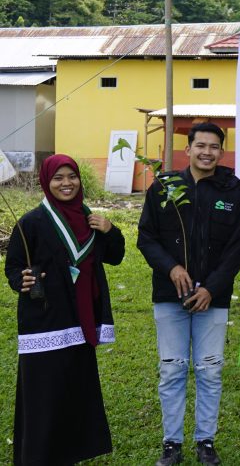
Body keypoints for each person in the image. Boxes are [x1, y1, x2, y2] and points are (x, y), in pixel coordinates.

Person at [138, 122, 240, 466]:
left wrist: (212, 288)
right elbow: (146, 237)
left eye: (214, 147)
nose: (207, 152)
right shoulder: (164, 187)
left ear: (222, 151)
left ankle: (205, 441)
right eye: (201, 145)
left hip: (213, 299)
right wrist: (172, 268)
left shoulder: (233, 191)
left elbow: (235, 249)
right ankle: (171, 443)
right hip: (170, 295)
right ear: (188, 149)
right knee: (172, 369)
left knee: (210, 370)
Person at [5, 156, 125, 465]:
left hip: (80, 321)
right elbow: (13, 267)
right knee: (43, 395)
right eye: (58, 178)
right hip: (44, 321)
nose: (66, 183)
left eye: (72, 176)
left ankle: (69, 455)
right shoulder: (31, 222)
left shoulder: (90, 220)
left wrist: (110, 229)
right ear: (47, 182)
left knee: (74, 394)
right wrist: (21, 279)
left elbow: (115, 256)